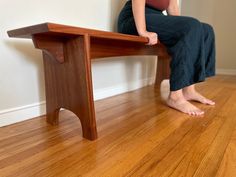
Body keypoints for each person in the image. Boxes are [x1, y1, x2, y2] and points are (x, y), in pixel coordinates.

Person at [117, 0, 216, 116]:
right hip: (135, 18)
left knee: (205, 30)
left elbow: (173, 9)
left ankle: (189, 90)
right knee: (191, 26)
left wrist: (182, 28)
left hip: (156, 17)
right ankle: (175, 96)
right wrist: (142, 31)